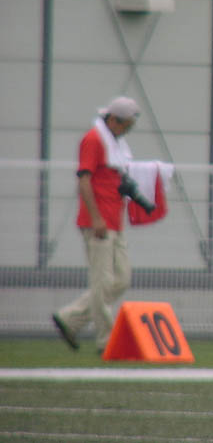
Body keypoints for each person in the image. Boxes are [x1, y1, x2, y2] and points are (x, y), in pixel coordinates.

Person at [52, 96, 141, 354]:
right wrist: (96, 217)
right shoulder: (93, 140)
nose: (127, 131)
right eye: (126, 126)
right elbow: (84, 180)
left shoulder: (115, 143)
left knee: (121, 279)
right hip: (99, 222)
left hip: (115, 221)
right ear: (113, 120)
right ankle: (106, 341)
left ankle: (69, 318)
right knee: (102, 282)